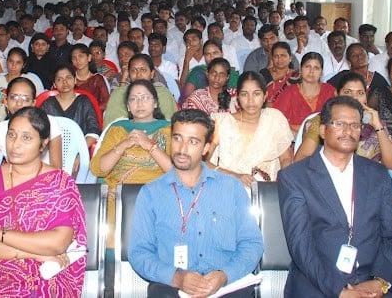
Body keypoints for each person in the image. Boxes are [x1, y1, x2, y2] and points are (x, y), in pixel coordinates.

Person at [278, 96, 392, 297]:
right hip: (318, 281)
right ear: (323, 130)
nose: (348, 131)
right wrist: (339, 292)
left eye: (355, 125)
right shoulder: (295, 177)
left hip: (374, 280)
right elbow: (300, 245)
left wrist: (381, 281)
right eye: (339, 124)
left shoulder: (378, 175)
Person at [0, 107, 87, 297]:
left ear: (43, 144)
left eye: (26, 138)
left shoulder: (59, 181)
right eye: (11, 135)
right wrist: (31, 253)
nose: (15, 144)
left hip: (43, 273)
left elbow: (58, 243)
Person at [128, 109, 264, 298]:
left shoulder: (231, 188)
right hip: (172, 287)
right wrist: (176, 278)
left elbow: (252, 244)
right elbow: (139, 253)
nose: (182, 149)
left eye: (193, 141)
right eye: (177, 138)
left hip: (226, 285)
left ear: (206, 148)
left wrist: (224, 276)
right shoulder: (151, 193)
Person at [90, 79, 173, 245]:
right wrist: (124, 144)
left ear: (155, 103)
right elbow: (99, 169)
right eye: (133, 99)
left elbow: (175, 171)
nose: (139, 103)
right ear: (128, 107)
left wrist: (149, 145)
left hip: (157, 195)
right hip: (118, 195)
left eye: (145, 97)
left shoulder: (169, 129)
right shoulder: (117, 129)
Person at [294, 72, 392, 170]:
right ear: (337, 94)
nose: (354, 98)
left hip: (367, 182)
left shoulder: (374, 123)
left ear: (366, 97)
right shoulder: (322, 121)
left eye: (360, 93)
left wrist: (378, 127)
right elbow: (301, 160)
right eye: (348, 92)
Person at [206, 71, 293, 187]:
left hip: (267, 192)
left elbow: (286, 159)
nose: (250, 100)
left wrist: (283, 185)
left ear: (265, 96)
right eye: (244, 94)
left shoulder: (274, 119)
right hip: (229, 187)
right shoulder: (222, 122)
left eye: (256, 94)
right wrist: (236, 176)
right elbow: (203, 163)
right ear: (237, 97)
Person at [0, 77, 61, 176]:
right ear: (5, 101)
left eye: (25, 99)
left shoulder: (50, 122)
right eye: (14, 97)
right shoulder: (1, 128)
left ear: (33, 103)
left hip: (45, 180)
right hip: (12, 181)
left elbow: (56, 168)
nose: (19, 104)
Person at [103, 54, 178, 127]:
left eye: (143, 70)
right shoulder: (119, 94)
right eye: (134, 71)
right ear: (129, 74)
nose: (138, 74)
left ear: (152, 74)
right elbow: (112, 126)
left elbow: (170, 127)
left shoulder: (163, 94)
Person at [273, 52, 337, 134]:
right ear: (300, 69)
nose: (311, 71)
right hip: (293, 140)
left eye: (316, 68)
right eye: (307, 67)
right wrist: (301, 131)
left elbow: (337, 120)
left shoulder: (330, 91)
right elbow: (277, 121)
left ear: (321, 72)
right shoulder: (289, 92)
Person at [41, 64, 101, 148]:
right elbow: (40, 131)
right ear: (54, 84)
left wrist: (79, 153)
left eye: (68, 77)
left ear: (75, 80)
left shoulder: (83, 101)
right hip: (51, 153)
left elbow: (94, 130)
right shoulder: (48, 104)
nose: (65, 82)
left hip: (80, 151)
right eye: (59, 79)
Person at [70, 43, 110, 112]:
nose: (78, 60)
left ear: (89, 58)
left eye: (81, 56)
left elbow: (106, 103)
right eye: (74, 58)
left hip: (92, 117)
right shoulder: (68, 79)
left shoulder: (98, 79)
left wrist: (88, 111)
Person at [263, 41, 300, 106]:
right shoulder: (264, 74)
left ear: (290, 58)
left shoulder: (296, 77)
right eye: (276, 56)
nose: (279, 59)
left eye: (283, 56)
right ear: (272, 58)